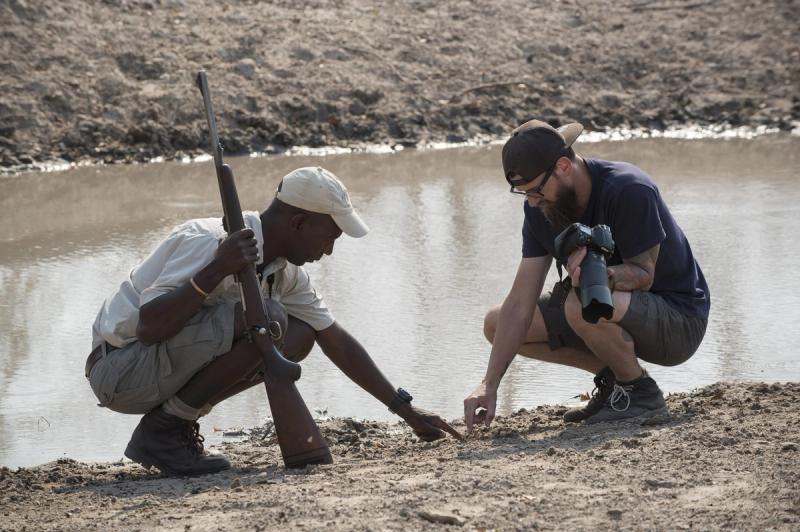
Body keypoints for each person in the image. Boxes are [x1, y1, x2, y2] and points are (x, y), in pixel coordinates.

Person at [87, 166, 461, 476]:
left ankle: (170, 425)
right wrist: (217, 269)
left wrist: (404, 409)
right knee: (270, 318)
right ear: (298, 222)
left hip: (158, 370)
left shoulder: (286, 273)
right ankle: (166, 429)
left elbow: (335, 340)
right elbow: (149, 328)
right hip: (121, 371)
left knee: (299, 335)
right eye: (329, 236)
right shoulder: (206, 240)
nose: (329, 250)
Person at [463, 120, 710, 432]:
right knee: (497, 324)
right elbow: (519, 305)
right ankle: (616, 383)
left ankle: (641, 394)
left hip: (678, 322)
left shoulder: (629, 188)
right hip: (603, 309)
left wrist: (596, 274)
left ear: (564, 166)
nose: (531, 201)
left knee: (580, 303)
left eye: (536, 190)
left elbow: (644, 275)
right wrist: (489, 384)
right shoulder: (541, 209)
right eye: (522, 193)